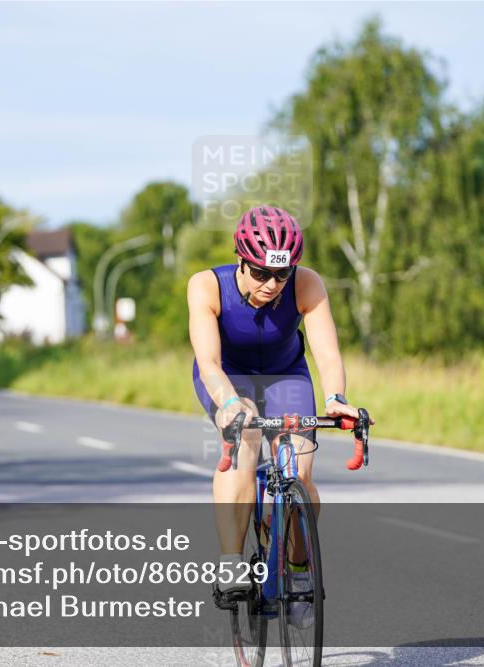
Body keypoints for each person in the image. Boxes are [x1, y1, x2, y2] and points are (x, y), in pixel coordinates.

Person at [188, 205, 369, 624]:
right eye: (261, 273)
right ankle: (231, 561)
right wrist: (229, 404)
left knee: (300, 469)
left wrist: (336, 397)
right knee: (247, 434)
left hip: (286, 374)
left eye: (282, 274)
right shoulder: (206, 285)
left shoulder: (306, 283)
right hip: (227, 375)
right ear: (240, 259)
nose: (272, 284)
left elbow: (327, 353)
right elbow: (209, 362)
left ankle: (299, 567)